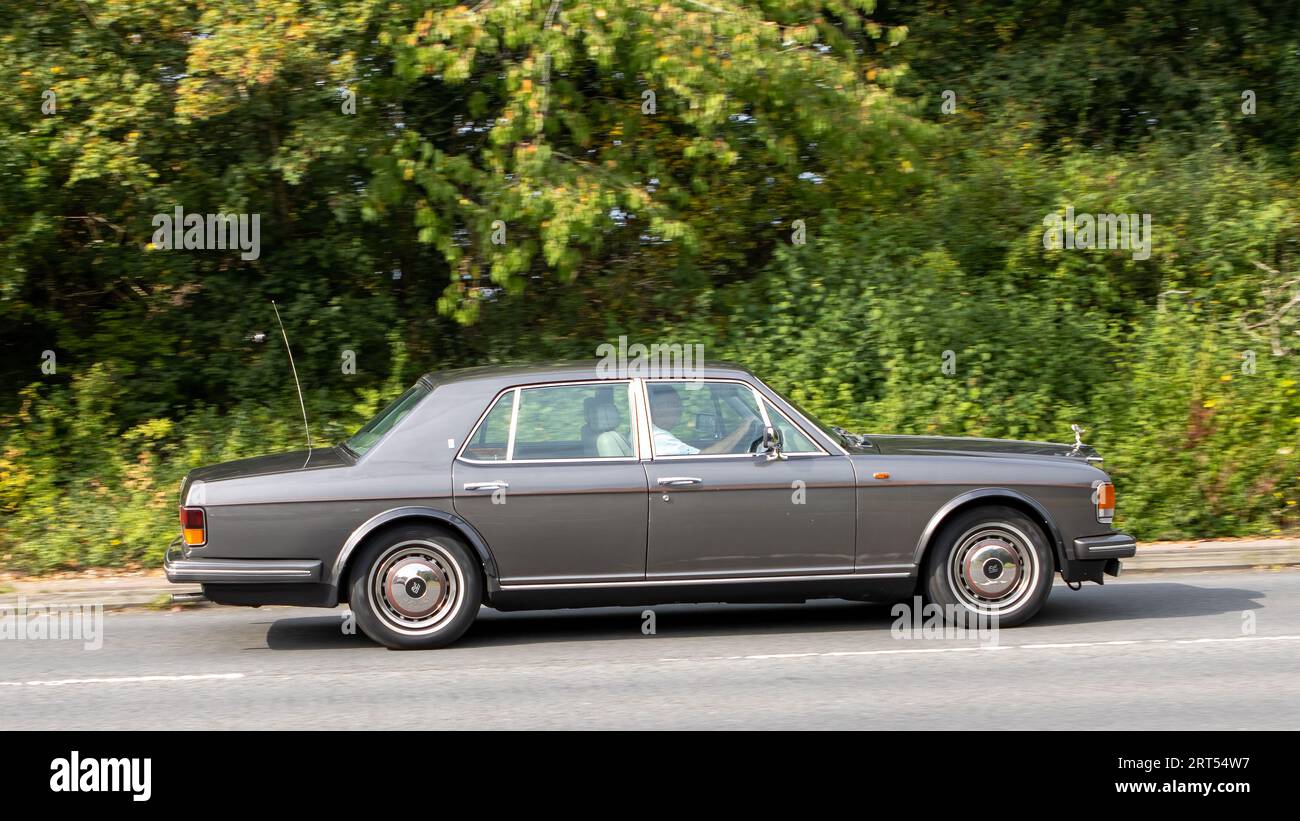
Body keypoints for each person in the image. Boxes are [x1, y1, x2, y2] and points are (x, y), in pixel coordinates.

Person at [648, 385, 755, 455]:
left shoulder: (651, 434)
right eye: (674, 404)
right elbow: (706, 456)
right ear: (655, 408)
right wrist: (743, 428)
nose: (680, 409)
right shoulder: (660, 439)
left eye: (680, 404)